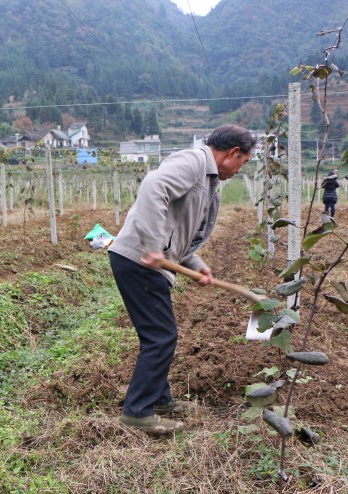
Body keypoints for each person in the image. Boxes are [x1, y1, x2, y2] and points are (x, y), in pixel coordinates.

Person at [108, 124, 256, 435]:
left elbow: (180, 233)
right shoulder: (192, 162)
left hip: (151, 263)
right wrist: (150, 245)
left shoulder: (208, 180)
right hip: (137, 260)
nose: (241, 169)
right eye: (243, 162)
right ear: (232, 153)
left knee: (160, 334)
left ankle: (159, 399)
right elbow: (152, 187)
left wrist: (198, 264)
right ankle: (137, 411)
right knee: (160, 337)